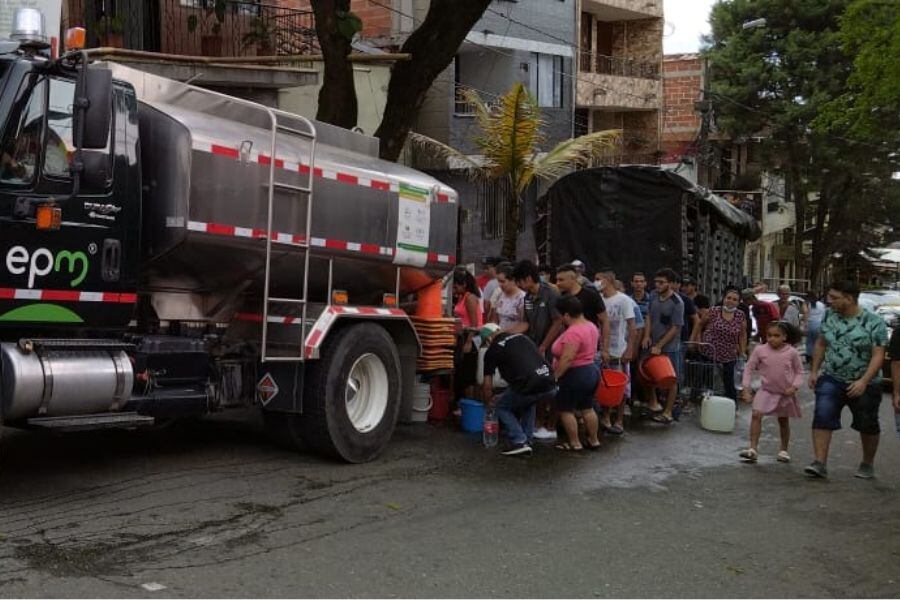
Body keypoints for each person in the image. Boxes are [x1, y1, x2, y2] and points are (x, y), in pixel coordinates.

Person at [806, 280, 888, 479]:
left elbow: (878, 355)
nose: (829, 301)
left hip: (865, 382)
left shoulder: (873, 322)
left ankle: (867, 463)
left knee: (867, 423)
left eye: (834, 298)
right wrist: (815, 370)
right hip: (832, 378)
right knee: (822, 415)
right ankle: (819, 463)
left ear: (849, 299)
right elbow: (821, 343)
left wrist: (863, 381)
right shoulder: (829, 316)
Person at [480, 323, 557, 457]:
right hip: (549, 382)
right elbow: (528, 365)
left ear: (488, 339)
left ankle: (519, 441)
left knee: (502, 406)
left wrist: (489, 402)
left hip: (527, 384)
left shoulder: (493, 349)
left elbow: (487, 385)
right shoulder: (522, 338)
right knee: (527, 400)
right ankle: (527, 440)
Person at [511, 260, 563, 440]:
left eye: (519, 281)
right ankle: (538, 422)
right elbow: (526, 323)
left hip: (552, 349)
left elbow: (558, 321)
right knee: (539, 387)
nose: (518, 285)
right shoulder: (527, 298)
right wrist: (504, 333)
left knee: (553, 387)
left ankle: (551, 425)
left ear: (527, 278)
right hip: (535, 349)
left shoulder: (551, 294)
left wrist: (544, 345)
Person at [739, 321, 804, 463]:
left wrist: (794, 387)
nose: (772, 339)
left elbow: (799, 372)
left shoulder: (791, 352)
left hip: (784, 392)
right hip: (766, 390)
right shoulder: (760, 350)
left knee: (783, 420)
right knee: (756, 414)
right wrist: (746, 388)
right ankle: (753, 448)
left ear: (785, 337)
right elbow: (749, 369)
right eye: (769, 335)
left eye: (776, 336)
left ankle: (784, 450)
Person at [551, 295, 601, 452]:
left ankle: (575, 443)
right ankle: (594, 440)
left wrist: (556, 376)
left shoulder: (574, 331)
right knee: (587, 407)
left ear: (566, 314)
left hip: (575, 373)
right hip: (591, 370)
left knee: (566, 409)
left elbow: (567, 358)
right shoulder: (591, 325)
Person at [641, 268, 684, 424]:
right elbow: (648, 317)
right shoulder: (653, 296)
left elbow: (675, 327)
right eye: (656, 282)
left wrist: (660, 345)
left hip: (669, 347)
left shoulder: (677, 302)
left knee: (671, 379)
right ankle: (653, 404)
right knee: (648, 375)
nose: (658, 285)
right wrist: (646, 336)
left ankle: (668, 412)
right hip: (651, 343)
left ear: (671, 284)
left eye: (662, 282)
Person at [596, 269, 636, 435]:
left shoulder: (623, 300)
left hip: (618, 350)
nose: (596, 282)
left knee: (620, 386)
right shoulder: (599, 300)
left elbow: (632, 326)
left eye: (598, 279)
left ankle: (619, 420)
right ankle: (605, 417)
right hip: (601, 350)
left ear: (608, 280)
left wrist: (629, 348)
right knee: (605, 384)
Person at [693, 287, 748, 400]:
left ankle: (732, 404)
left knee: (729, 381)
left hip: (729, 353)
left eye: (734, 299)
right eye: (728, 298)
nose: (730, 301)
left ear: (738, 302)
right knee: (702, 376)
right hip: (709, 350)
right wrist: (697, 340)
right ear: (724, 299)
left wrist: (742, 351)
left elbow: (742, 334)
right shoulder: (713, 311)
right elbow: (699, 324)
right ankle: (697, 398)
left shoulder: (740, 315)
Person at [555, 264, 610, 363]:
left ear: (573, 279)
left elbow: (605, 321)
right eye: (557, 280)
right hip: (570, 346)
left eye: (561, 280)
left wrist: (605, 349)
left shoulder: (591, 295)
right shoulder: (561, 297)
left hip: (589, 349)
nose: (558, 283)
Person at [452, 269, 483, 402]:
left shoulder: (470, 298)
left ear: (464, 284)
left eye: (456, 286)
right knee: (460, 372)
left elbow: (474, 324)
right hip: (462, 337)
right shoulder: (462, 297)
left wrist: (469, 342)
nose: (454, 289)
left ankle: (468, 403)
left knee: (467, 375)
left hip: (470, 338)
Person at [491, 264, 525, 331]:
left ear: (513, 280)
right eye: (498, 281)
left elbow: (524, 324)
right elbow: (495, 320)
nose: (500, 285)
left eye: (503, 281)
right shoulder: (499, 295)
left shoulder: (522, 298)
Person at [805, 291, 826, 363]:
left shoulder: (807, 304)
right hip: (820, 324)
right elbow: (824, 314)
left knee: (810, 341)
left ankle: (809, 356)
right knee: (818, 342)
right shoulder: (821, 304)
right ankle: (817, 357)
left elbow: (805, 314)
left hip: (811, 324)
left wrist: (805, 324)